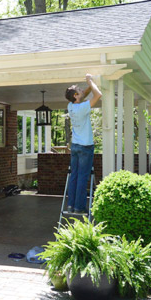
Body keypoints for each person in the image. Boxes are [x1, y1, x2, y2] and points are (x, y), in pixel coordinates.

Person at [65, 74, 102, 214]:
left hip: (75, 146)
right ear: (75, 95)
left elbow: (85, 94)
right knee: (82, 177)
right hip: (85, 146)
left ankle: (71, 205)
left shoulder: (71, 106)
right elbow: (98, 95)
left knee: (74, 175)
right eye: (79, 90)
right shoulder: (82, 108)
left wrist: (89, 85)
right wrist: (91, 81)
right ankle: (79, 207)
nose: (82, 91)